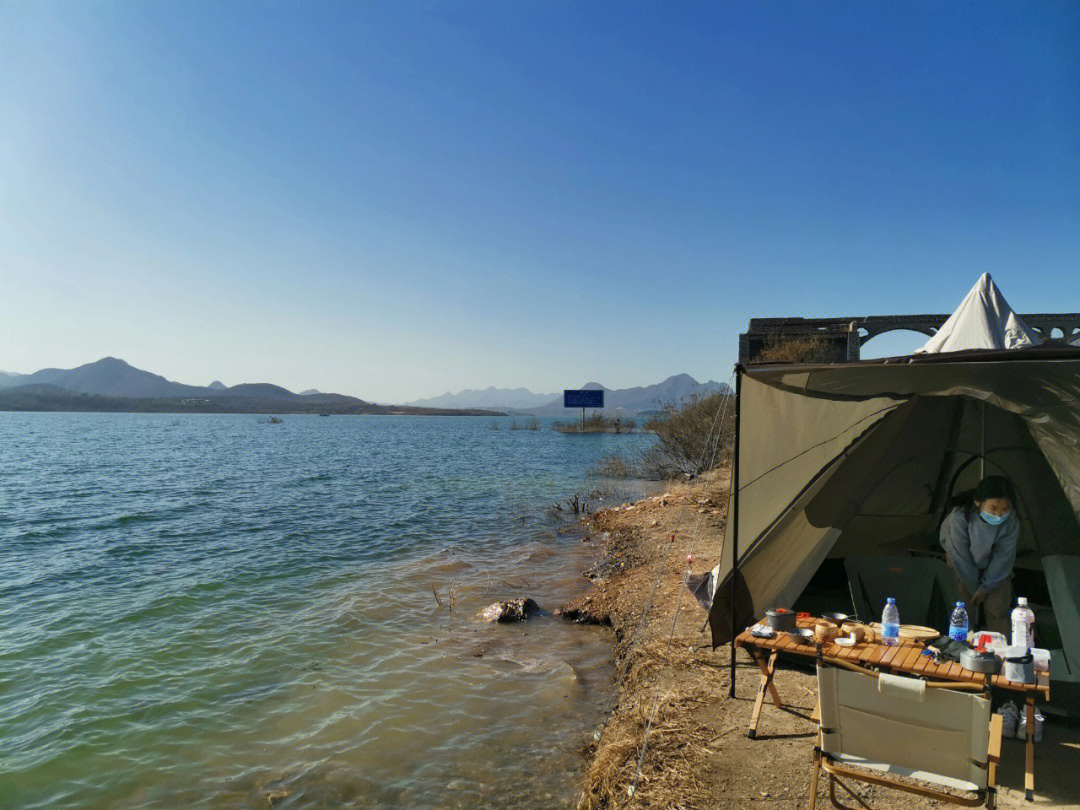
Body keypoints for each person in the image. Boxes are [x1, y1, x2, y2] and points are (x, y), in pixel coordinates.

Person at [939, 475, 1019, 635]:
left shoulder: (1010, 520)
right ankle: (961, 651)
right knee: (962, 611)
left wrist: (986, 587)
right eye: (993, 508)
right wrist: (975, 589)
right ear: (978, 502)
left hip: (994, 568)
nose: (999, 515)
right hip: (961, 565)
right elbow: (959, 556)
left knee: (997, 610)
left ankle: (1000, 654)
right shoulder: (960, 517)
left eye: (1005, 509)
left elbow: (1004, 556)